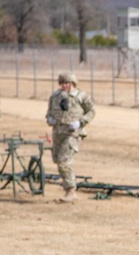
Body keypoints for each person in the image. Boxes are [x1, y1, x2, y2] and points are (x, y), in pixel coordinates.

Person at [46, 72, 95, 203]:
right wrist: (49, 119)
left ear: (73, 83)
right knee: (58, 161)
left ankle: (70, 191)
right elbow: (49, 113)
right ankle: (69, 190)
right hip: (58, 133)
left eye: (67, 83)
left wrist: (81, 122)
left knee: (63, 162)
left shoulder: (81, 96)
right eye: (62, 83)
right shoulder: (55, 96)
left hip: (72, 133)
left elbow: (91, 111)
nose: (65, 86)